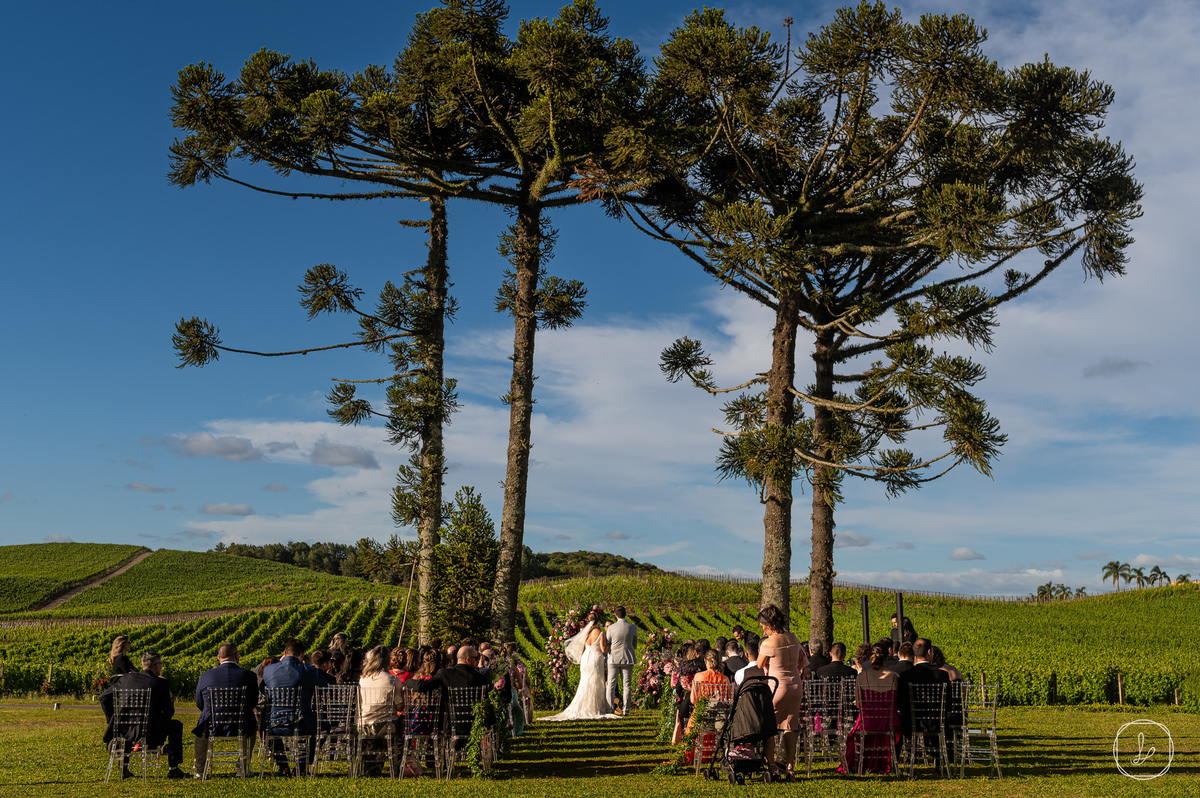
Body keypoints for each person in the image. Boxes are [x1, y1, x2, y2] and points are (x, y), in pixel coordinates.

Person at [100, 651, 187, 780]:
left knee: (131, 730)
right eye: (161, 664)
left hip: (124, 729)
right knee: (176, 725)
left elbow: (104, 697)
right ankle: (173, 769)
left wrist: (113, 719)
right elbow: (168, 713)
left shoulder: (125, 679)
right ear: (156, 665)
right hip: (151, 732)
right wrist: (171, 700)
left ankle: (124, 768)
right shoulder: (160, 683)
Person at [192, 641, 258, 778]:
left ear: (218, 657)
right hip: (240, 724)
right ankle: (243, 767)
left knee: (202, 725)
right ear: (236, 655)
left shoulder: (205, 676)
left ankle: (199, 769)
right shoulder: (249, 676)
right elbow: (253, 702)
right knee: (251, 722)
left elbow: (199, 703)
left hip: (212, 723)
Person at [756, 604, 805, 781]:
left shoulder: (769, 642)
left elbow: (760, 664)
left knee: (770, 728)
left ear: (768, 625)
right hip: (796, 686)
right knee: (790, 727)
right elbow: (801, 657)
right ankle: (790, 768)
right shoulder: (793, 637)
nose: (762, 629)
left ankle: (772, 768)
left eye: (763, 626)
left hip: (778, 687)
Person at [543, 609, 620, 721]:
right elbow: (603, 650)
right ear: (598, 621)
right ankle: (594, 708)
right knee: (596, 682)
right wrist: (611, 645)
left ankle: (585, 705)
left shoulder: (586, 633)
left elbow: (583, 649)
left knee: (585, 682)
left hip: (586, 659)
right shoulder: (600, 633)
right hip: (595, 658)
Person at [262, 638, 321, 776]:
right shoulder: (308, 670)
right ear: (302, 655)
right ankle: (302, 766)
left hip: (274, 724)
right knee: (321, 727)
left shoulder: (269, 670)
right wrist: (311, 664)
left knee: (268, 724)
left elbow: (262, 688)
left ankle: (283, 766)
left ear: (284, 653)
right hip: (301, 724)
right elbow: (323, 686)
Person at [839, 644, 900, 775]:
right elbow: (895, 700)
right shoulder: (894, 676)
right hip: (888, 722)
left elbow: (858, 704)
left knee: (853, 735)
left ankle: (861, 762)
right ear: (886, 658)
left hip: (867, 721)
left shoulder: (861, 677)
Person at [357, 646, 404, 775]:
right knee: (398, 727)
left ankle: (370, 767)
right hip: (386, 725)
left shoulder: (362, 680)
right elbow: (400, 707)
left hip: (364, 724)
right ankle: (397, 766)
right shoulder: (393, 680)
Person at [606, 606, 638, 715]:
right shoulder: (633, 627)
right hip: (628, 658)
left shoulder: (611, 628)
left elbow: (607, 642)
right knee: (627, 685)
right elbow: (635, 644)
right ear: (626, 614)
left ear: (615, 615)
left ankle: (610, 709)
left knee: (611, 684)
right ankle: (626, 710)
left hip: (613, 658)